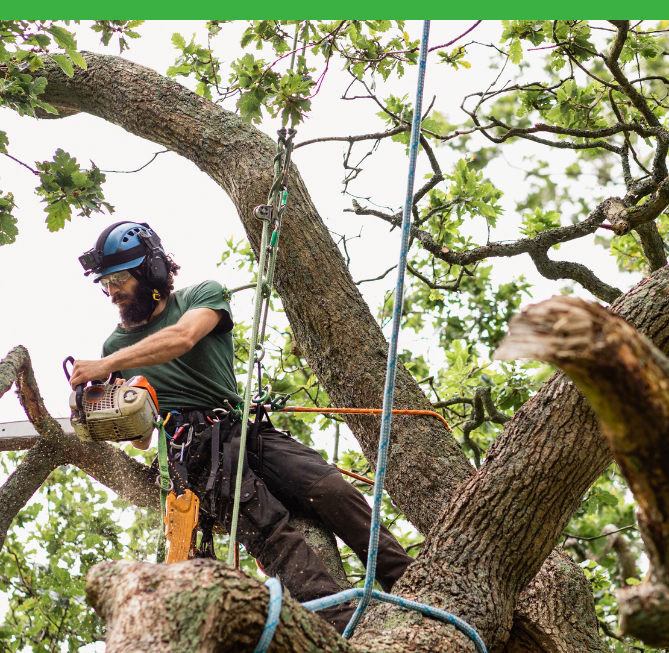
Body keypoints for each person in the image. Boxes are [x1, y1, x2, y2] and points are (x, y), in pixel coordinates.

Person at [70, 221, 413, 632]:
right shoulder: (115, 347)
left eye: (120, 278)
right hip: (193, 450)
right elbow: (143, 440)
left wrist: (108, 365)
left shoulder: (202, 296)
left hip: (241, 429)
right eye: (106, 283)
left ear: (153, 272)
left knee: (330, 488)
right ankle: (345, 629)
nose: (113, 292)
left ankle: (412, 585)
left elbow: (182, 338)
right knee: (271, 529)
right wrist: (112, 411)